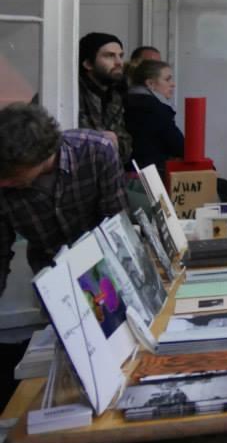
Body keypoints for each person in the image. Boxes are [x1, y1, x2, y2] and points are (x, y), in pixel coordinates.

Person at [0, 103, 127, 295]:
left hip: (107, 270)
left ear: (38, 155)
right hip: (52, 278)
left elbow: (116, 228)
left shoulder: (96, 151)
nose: (4, 182)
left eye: (11, 175)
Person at [78, 32, 133, 165]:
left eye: (121, 56)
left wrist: (114, 142)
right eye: (109, 56)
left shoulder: (116, 95)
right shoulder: (68, 93)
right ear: (88, 64)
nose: (119, 62)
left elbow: (126, 147)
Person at [124, 59, 184, 176]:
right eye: (167, 79)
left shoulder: (122, 101)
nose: (173, 84)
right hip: (154, 174)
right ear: (151, 84)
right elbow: (180, 147)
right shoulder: (157, 110)